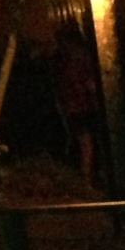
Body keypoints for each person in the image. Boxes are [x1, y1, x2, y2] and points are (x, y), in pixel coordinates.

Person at [54, 23, 101, 185]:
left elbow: (74, 83)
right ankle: (88, 177)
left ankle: (87, 178)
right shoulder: (77, 57)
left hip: (80, 105)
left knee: (85, 142)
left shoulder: (71, 59)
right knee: (86, 142)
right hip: (82, 105)